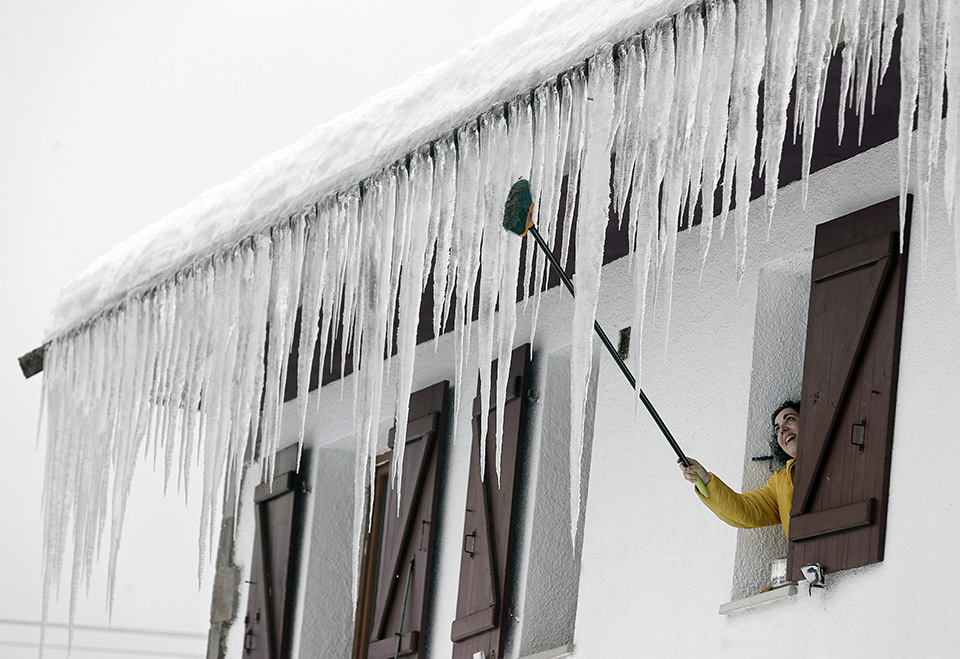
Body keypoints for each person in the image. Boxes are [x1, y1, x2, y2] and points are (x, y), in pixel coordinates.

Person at [679, 401, 800, 538]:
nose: (782, 430)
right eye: (777, 429)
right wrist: (705, 479)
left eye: (789, 419)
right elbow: (745, 512)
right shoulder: (780, 483)